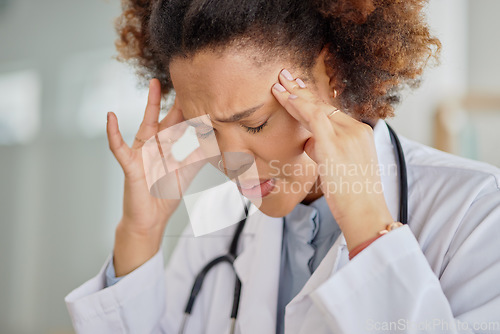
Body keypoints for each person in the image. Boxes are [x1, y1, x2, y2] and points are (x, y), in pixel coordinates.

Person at [65, 0, 500, 333]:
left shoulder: (478, 214)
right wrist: (140, 233)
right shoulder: (220, 225)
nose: (230, 163)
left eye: (253, 124)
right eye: (206, 130)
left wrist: (370, 231)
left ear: (331, 70)